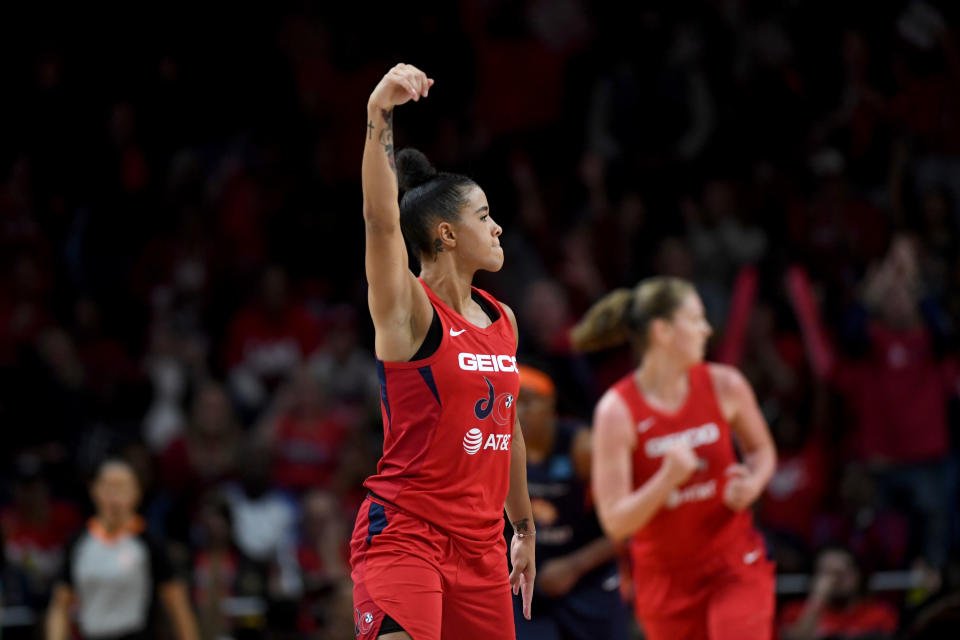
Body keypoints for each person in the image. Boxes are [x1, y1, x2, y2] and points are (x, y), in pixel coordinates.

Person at [349, 63, 535, 640]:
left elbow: (507, 427)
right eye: (484, 216)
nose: (499, 228)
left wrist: (522, 528)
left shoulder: (501, 318)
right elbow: (381, 224)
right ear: (447, 234)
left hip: (481, 550)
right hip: (406, 535)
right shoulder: (410, 312)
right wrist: (381, 113)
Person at [572, 277, 777, 640]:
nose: (707, 329)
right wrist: (666, 479)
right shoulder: (617, 411)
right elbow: (616, 522)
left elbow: (762, 451)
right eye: (696, 319)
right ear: (662, 331)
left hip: (732, 566)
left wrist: (753, 482)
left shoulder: (725, 384)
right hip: (663, 581)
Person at [511, 364, 630, 640]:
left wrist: (573, 566)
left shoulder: (583, 448)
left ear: (550, 403)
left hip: (588, 577)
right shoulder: (498, 447)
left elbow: (626, 525)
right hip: (529, 580)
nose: (518, 413)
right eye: (511, 402)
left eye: (528, 402)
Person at [45, 459, 199, 640]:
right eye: (108, 486)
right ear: (94, 490)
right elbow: (60, 605)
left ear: (136, 493)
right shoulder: (79, 542)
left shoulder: (149, 542)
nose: (114, 495)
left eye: (122, 487)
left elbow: (177, 605)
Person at [779, 546, 898, 640]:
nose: (836, 580)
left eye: (842, 572)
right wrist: (818, 599)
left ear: (858, 575)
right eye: (828, 573)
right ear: (814, 577)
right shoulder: (796, 612)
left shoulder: (880, 613)